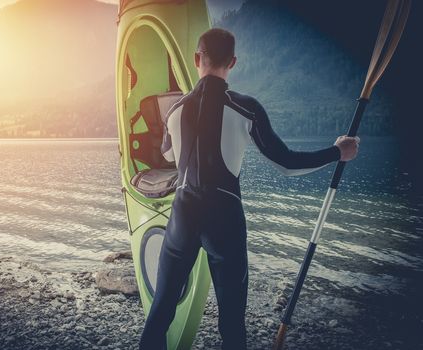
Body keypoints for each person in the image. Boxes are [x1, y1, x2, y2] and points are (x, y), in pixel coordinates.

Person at [138, 28, 360, 350]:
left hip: (182, 218)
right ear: (233, 62)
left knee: (161, 312)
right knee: (230, 323)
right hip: (224, 221)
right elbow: (286, 162)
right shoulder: (246, 108)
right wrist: (337, 152)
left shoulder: (174, 111)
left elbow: (168, 155)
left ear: (197, 59)